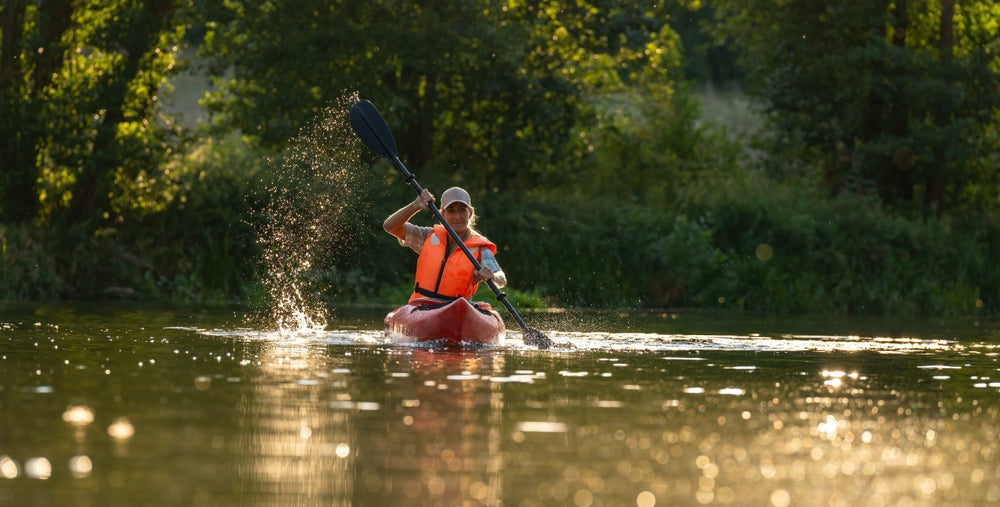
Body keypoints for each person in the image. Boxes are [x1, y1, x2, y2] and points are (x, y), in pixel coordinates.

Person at [383, 186, 506, 303]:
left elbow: (501, 279)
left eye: (462, 210)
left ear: (470, 213)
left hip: (457, 309)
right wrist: (415, 206)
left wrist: (493, 276)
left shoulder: (480, 248)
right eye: (451, 211)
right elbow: (390, 226)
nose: (457, 217)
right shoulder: (428, 236)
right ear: (442, 215)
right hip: (422, 307)